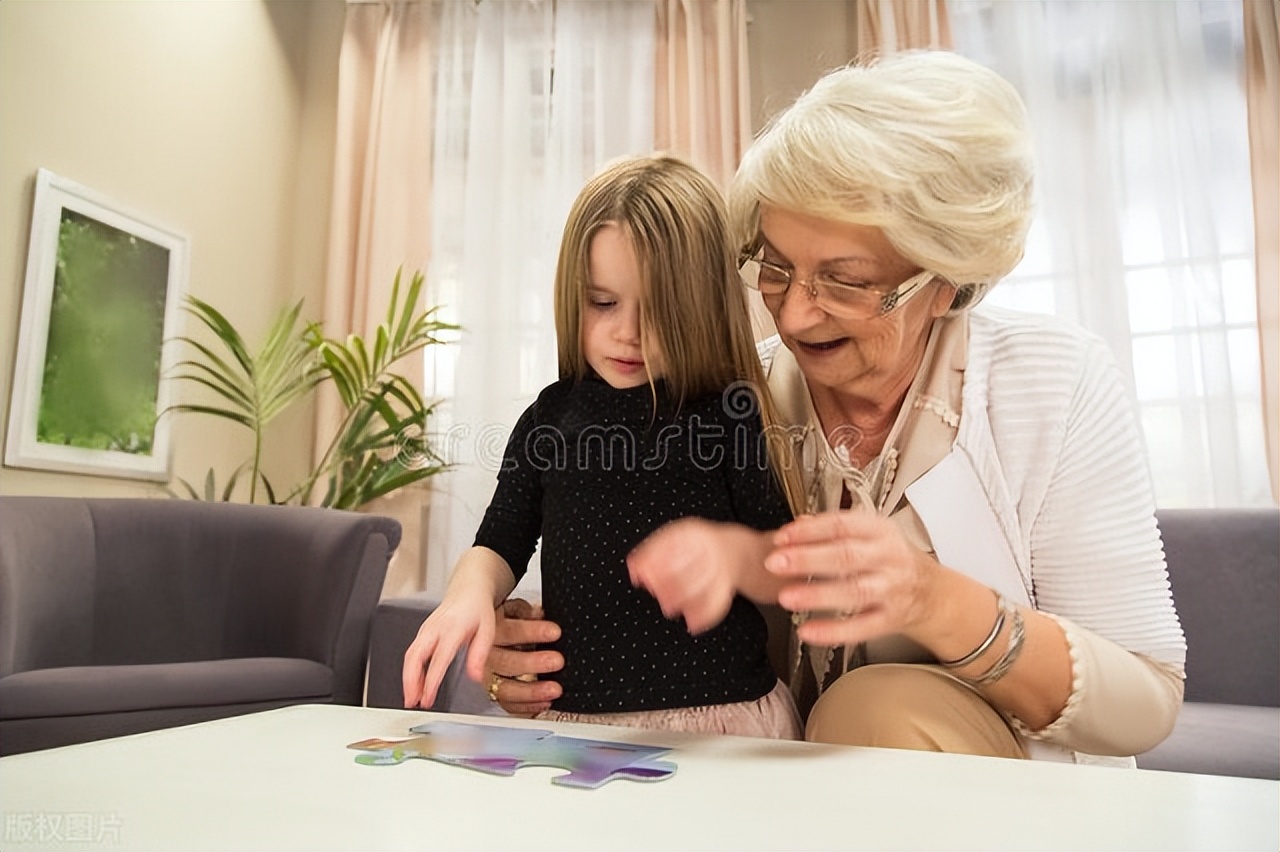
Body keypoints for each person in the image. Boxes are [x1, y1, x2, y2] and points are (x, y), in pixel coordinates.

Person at [480, 50, 1186, 766]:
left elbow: (1147, 704)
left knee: (871, 709)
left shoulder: (1054, 381)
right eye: (776, 266)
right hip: (770, 791)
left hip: (1014, 800)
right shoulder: (728, 398)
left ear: (949, 282)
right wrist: (532, 654)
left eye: (844, 281)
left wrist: (932, 601)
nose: (796, 313)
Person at [402, 153, 805, 739]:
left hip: (723, 723)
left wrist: (733, 556)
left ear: (704, 303)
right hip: (574, 722)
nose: (628, 332)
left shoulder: (730, 413)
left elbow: (788, 565)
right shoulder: (549, 417)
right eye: (603, 302)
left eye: (661, 310)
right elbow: (499, 540)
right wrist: (466, 596)